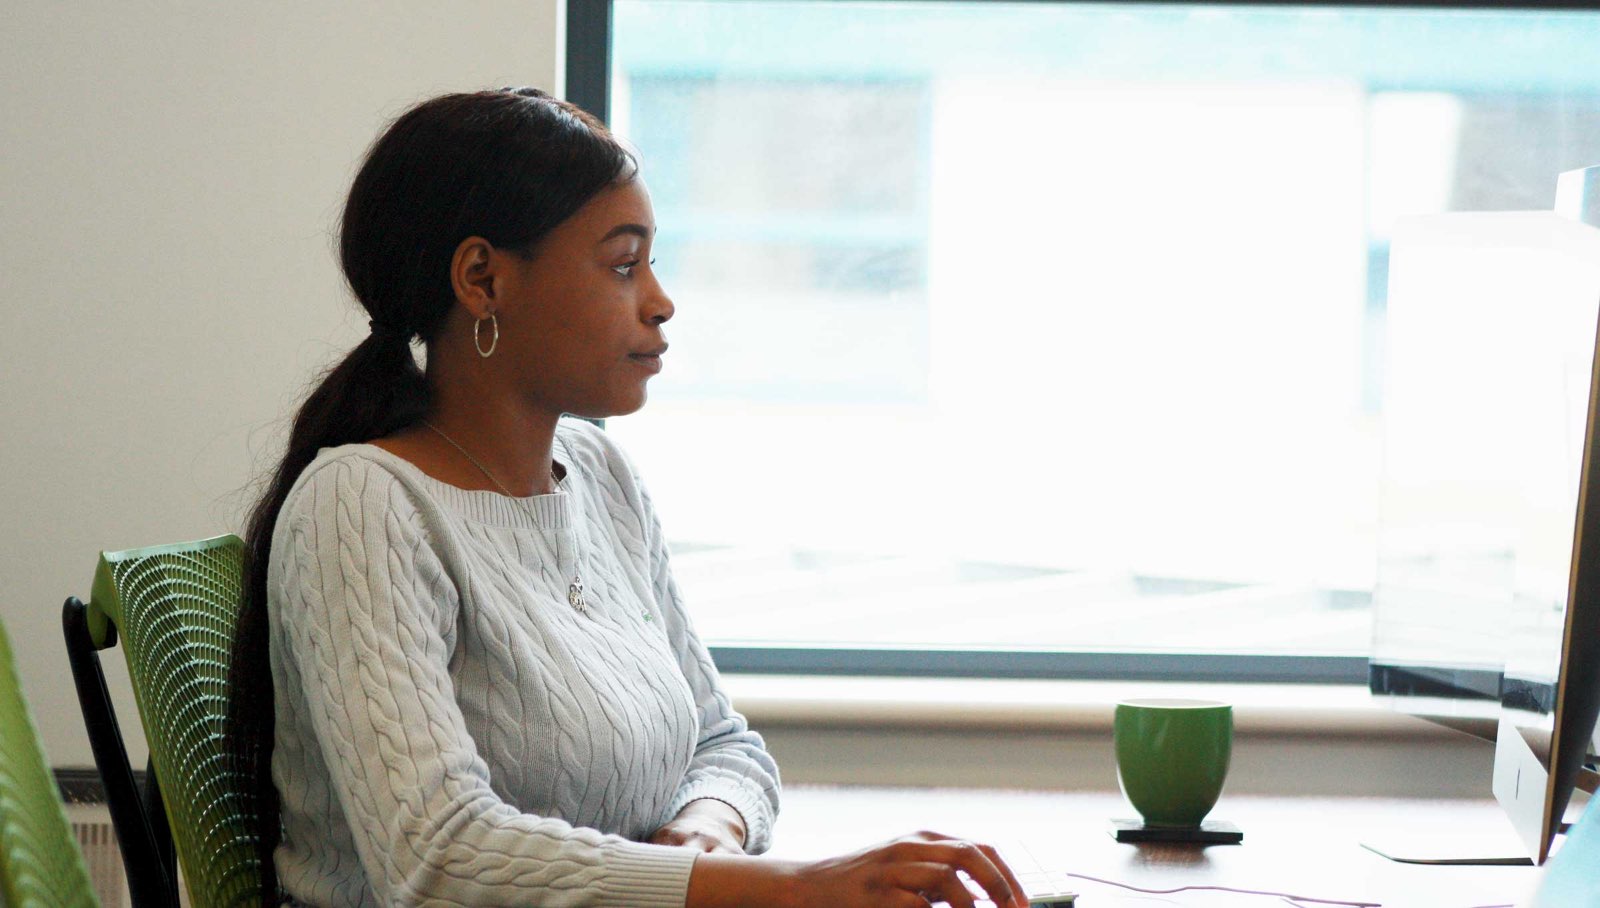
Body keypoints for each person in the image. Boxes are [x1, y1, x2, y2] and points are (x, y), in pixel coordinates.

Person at [227, 86, 1029, 908]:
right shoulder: (362, 504)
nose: (660, 299)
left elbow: (724, 747)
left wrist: (707, 835)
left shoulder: (601, 478)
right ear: (482, 278)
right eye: (622, 264)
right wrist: (788, 886)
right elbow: (438, 855)